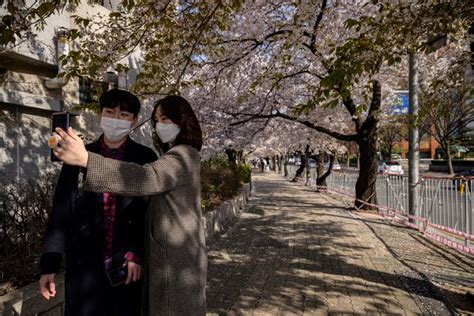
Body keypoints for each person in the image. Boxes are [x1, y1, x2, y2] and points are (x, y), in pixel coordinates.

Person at [52, 95, 208, 316]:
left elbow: (147, 177)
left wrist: (87, 160)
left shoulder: (182, 155)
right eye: (156, 120)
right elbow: (61, 209)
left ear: (182, 120)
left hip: (174, 261)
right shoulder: (179, 155)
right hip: (94, 266)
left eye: (166, 119)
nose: (160, 125)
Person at [39, 89, 157, 315]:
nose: (115, 119)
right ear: (100, 114)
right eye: (110, 112)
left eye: (124, 115)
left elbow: (151, 213)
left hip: (126, 267)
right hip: (84, 267)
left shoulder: (145, 157)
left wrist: (137, 252)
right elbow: (62, 211)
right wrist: (49, 265)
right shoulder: (79, 155)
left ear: (134, 120)